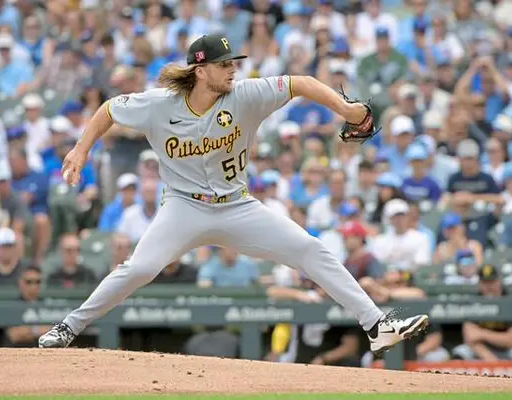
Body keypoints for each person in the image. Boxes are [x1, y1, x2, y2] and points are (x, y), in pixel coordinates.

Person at [38, 34, 429, 352]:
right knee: (139, 269)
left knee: (310, 249)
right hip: (183, 208)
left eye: (233, 62)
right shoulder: (159, 105)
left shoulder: (245, 94)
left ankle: (377, 326)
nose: (233, 69)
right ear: (200, 70)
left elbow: (300, 83)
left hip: (237, 207)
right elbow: (109, 109)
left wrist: (345, 109)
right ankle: (69, 326)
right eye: (224, 64)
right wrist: (81, 149)